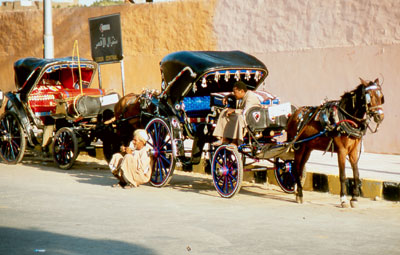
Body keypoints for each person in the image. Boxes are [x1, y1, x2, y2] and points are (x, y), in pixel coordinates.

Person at [213, 81, 261, 145]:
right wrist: (227, 96)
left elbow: (247, 111)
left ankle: (235, 141)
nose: (234, 94)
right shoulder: (242, 95)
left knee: (239, 117)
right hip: (244, 115)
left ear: (241, 91)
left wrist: (234, 110)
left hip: (250, 118)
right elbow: (233, 94)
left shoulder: (250, 97)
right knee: (225, 112)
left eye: (235, 92)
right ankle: (224, 138)